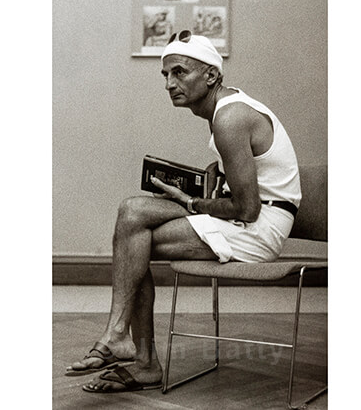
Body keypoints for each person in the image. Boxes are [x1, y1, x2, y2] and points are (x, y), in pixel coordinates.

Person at [65, 29, 302, 393]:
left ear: (211, 75)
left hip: (261, 230)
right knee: (132, 212)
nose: (169, 83)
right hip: (250, 218)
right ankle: (124, 342)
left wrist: (189, 202)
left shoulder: (229, 118)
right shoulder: (225, 109)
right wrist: (212, 180)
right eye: (165, 74)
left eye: (179, 72)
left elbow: (249, 208)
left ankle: (132, 351)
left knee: (133, 241)